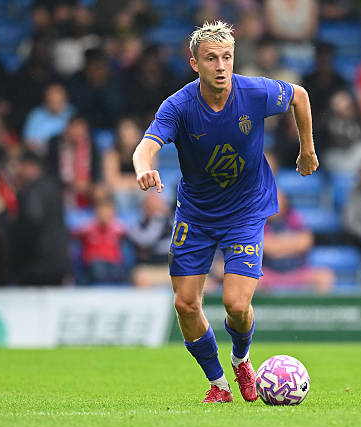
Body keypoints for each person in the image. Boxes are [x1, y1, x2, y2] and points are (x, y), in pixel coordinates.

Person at [132, 21, 318, 403]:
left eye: (227, 57)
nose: (221, 66)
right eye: (211, 59)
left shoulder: (254, 92)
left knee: (236, 304)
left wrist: (307, 150)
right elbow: (145, 146)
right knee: (185, 304)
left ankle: (241, 359)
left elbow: (299, 96)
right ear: (194, 64)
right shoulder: (179, 106)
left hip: (245, 212)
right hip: (196, 215)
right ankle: (218, 385)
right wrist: (143, 169)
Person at [11, 151, 70, 286]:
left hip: (36, 262)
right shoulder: (54, 187)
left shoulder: (32, 190)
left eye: (21, 166)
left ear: (31, 167)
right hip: (58, 260)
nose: (19, 172)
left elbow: (32, 220)